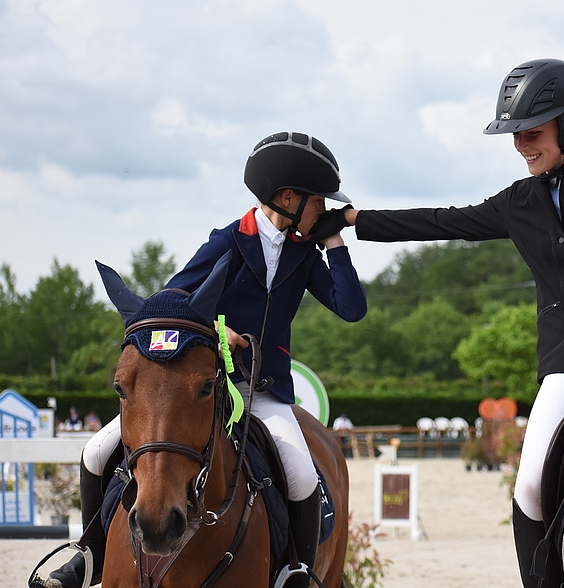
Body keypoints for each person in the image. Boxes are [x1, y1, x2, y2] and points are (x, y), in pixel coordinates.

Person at [310, 58, 564, 587]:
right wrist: (354, 221)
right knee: (531, 486)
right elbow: (440, 221)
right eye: (515, 136)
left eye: (531, 134)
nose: (521, 146)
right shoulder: (519, 202)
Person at [35, 132, 367, 588]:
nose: (323, 212)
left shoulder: (304, 254)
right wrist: (215, 328)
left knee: (302, 474)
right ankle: (88, 553)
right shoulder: (227, 241)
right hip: (207, 385)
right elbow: (167, 305)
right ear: (288, 198)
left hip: (264, 392)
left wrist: (334, 244)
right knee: (95, 452)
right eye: (318, 204)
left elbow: (352, 308)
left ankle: (296, 569)